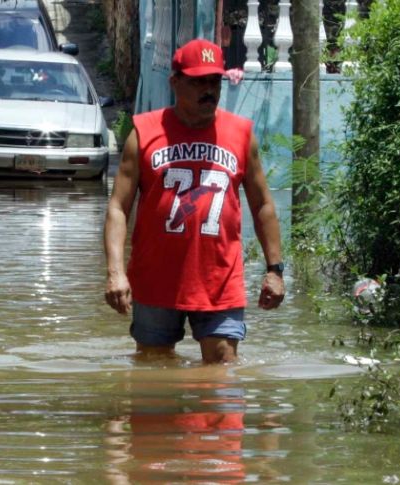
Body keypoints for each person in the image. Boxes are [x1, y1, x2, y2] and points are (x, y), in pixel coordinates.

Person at [103, 39, 285, 364]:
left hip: (220, 278)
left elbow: (263, 205)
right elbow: (118, 206)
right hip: (156, 277)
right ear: (175, 83)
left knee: (222, 370)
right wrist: (116, 272)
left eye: (214, 81)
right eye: (198, 81)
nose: (209, 90)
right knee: (153, 373)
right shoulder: (144, 133)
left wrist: (275, 270)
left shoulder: (241, 134)